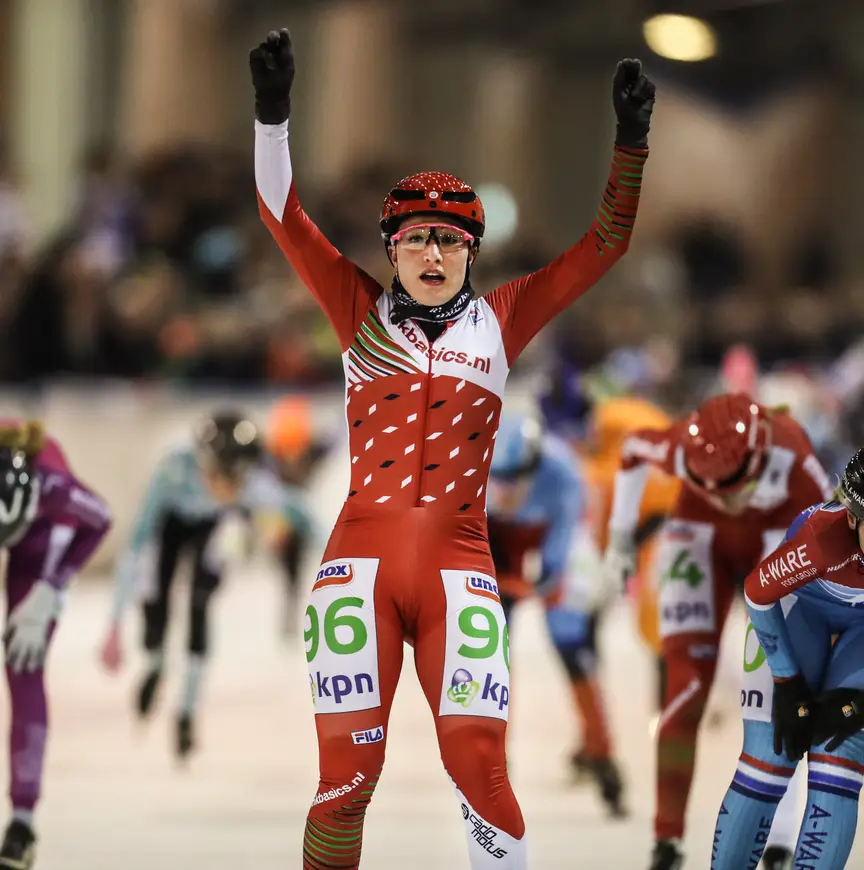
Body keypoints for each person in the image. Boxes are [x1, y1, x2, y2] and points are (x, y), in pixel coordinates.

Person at [250, 26, 654, 869]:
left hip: (458, 566)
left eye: (449, 240)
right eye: (415, 239)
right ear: (390, 249)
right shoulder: (357, 308)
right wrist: (273, 114)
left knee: (481, 771)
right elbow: (281, 213)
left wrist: (631, 144)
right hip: (358, 566)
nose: (432, 253)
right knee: (344, 783)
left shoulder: (503, 318)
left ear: (472, 251)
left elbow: (605, 245)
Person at [601, 392, 834, 870]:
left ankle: (779, 839)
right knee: (685, 689)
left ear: (760, 454)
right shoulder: (682, 446)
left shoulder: (798, 460)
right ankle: (666, 841)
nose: (726, 500)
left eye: (733, 487)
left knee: (778, 691)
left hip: (779, 536)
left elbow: (833, 534)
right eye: (710, 487)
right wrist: (620, 537)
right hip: (699, 539)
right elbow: (631, 450)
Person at [99, 409, 304, 760]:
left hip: (215, 527)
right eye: (221, 476)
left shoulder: (254, 485)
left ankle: (187, 709)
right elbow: (138, 544)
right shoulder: (172, 470)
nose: (227, 487)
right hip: (171, 525)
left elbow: (300, 513)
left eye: (237, 480)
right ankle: (156, 663)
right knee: (156, 597)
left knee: (200, 602)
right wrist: (115, 623)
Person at [711, 447, 864, 870]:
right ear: (853, 518)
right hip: (797, 610)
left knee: (842, 754)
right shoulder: (821, 537)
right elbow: (758, 595)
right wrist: (786, 680)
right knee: (770, 756)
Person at [487, 413, 626, 817]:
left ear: (534, 468)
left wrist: (543, 581)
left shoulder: (563, 472)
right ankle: (492, 757)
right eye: (499, 481)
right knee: (491, 648)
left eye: (515, 481)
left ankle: (602, 754)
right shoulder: (473, 469)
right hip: (498, 539)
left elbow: (559, 552)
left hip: (554, 534)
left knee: (569, 639)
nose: (507, 491)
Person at [0, 420, 111, 870]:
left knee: (23, 660)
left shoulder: (54, 488)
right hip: (27, 521)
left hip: (44, 540)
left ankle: (22, 822)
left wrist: (50, 588)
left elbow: (101, 520)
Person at [540, 363, 680, 715]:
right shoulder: (614, 433)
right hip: (653, 526)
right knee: (653, 624)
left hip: (656, 528)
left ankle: (668, 715)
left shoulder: (610, 429)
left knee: (657, 626)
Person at [265, 396, 329, 637]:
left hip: (300, 519)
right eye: (287, 450)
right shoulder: (269, 458)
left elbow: (339, 437)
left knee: (297, 570)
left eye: (296, 449)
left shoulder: (314, 451)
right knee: (289, 569)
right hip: (280, 519)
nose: (292, 457)